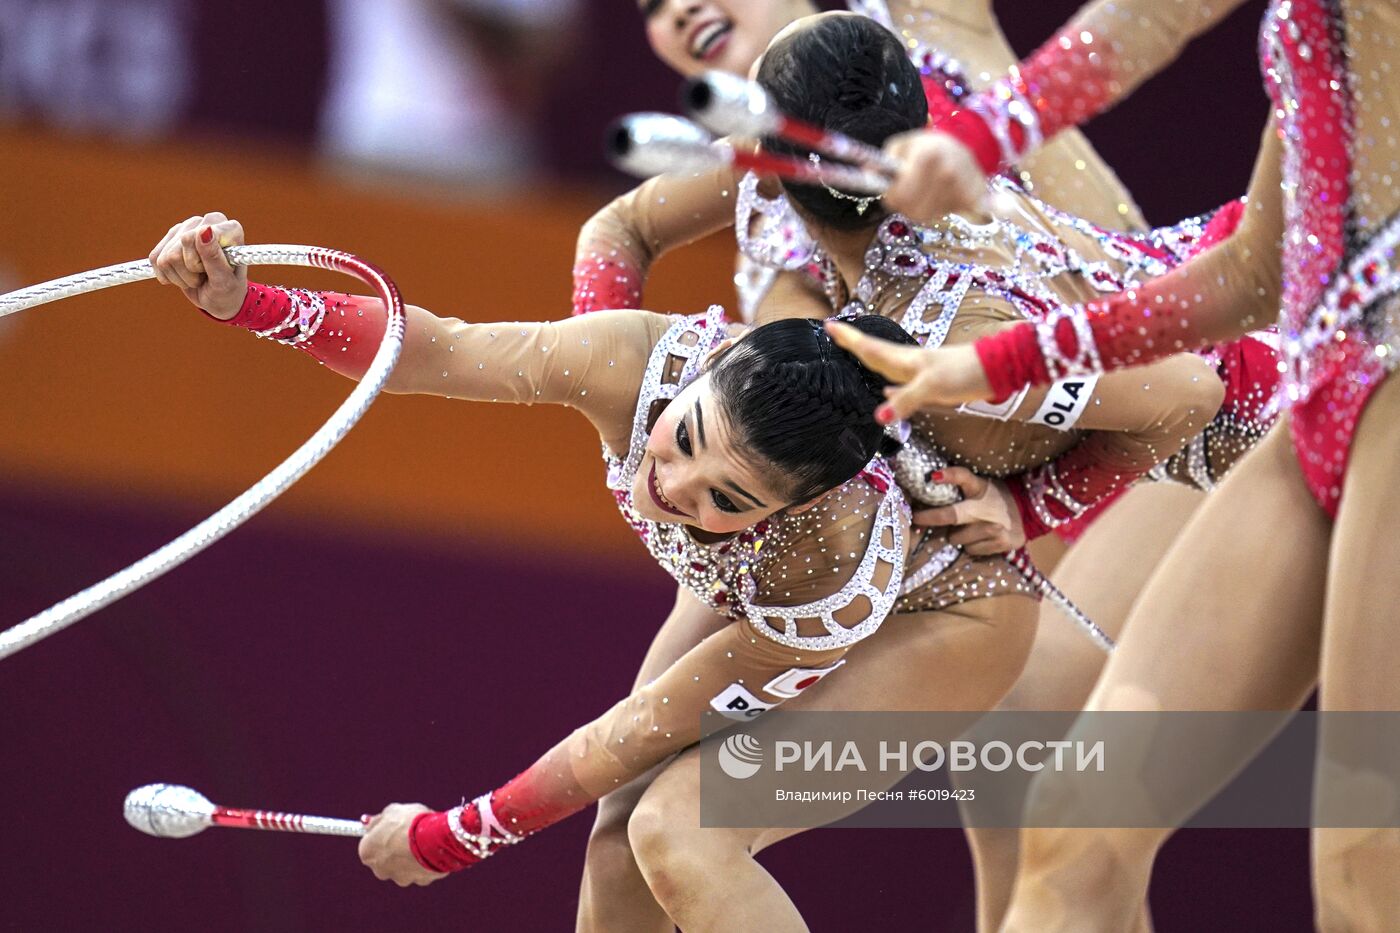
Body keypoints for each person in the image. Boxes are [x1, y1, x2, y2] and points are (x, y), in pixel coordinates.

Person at [572, 13, 1241, 930]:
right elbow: (620, 228)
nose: (675, 11)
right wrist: (624, 392)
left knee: (1032, 750)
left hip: (1159, 425)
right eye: (642, 5)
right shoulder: (767, 151)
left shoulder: (917, 30)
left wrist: (1032, 500)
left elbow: (1186, 392)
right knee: (631, 808)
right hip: (930, 464)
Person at [828, 0, 1400, 928]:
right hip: (1317, 399)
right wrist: (995, 360)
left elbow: (1158, 14)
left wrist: (985, 132)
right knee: (1073, 832)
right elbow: (1250, 276)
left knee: (1364, 880)